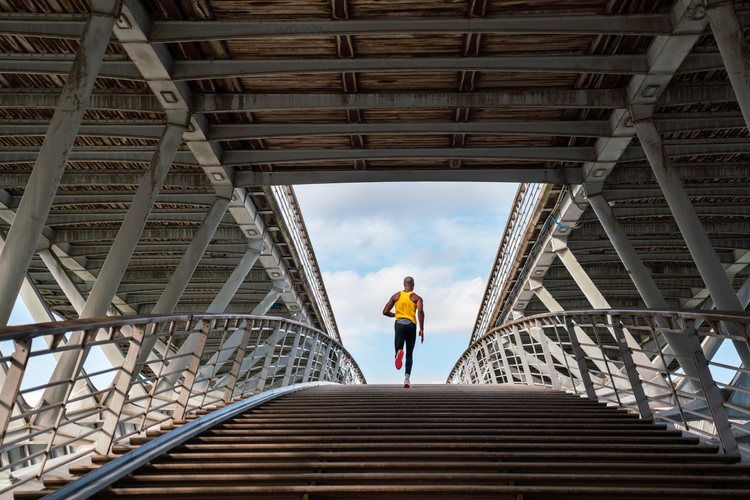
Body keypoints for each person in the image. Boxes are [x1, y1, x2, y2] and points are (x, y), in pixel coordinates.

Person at [382, 276, 424, 388]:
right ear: (413, 285)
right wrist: (421, 328)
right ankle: (407, 378)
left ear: (403, 284)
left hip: (399, 324)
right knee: (409, 353)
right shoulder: (417, 298)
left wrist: (396, 315)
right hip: (411, 325)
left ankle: (398, 353)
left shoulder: (396, 296)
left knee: (399, 348)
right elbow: (420, 311)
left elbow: (385, 311)